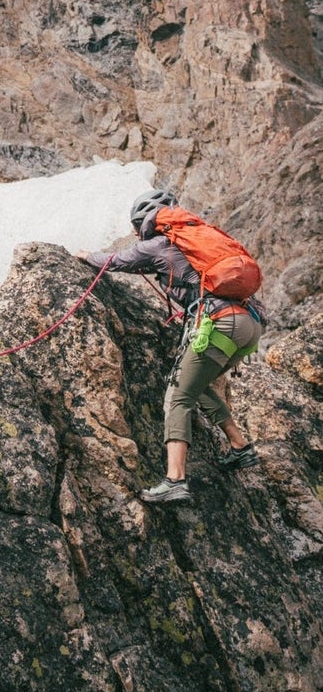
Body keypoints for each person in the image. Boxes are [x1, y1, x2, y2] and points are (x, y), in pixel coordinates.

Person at [85, 188, 263, 505]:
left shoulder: (159, 244)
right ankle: (239, 446)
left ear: (143, 222)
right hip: (247, 324)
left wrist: (84, 257)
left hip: (218, 322)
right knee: (197, 385)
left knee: (177, 395)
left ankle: (175, 481)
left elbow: (115, 261)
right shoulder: (196, 237)